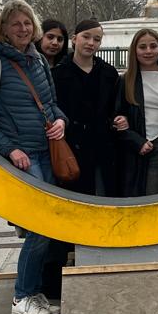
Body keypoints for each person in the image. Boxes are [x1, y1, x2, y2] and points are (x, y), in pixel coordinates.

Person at [0, 0, 70, 314]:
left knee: (46, 226)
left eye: (27, 23)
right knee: (39, 226)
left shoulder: (37, 61)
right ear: (4, 29)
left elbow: (51, 104)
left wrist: (60, 121)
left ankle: (34, 292)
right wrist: (10, 149)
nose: (23, 29)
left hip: (46, 152)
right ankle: (22, 296)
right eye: (16, 24)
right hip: (23, 157)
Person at [53, 19, 121, 198]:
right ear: (74, 39)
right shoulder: (58, 73)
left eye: (97, 39)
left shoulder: (109, 73)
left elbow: (116, 107)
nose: (91, 43)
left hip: (104, 145)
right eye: (86, 37)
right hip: (72, 146)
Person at [113, 28, 158, 197]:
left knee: (156, 197)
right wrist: (136, 140)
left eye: (153, 46)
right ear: (134, 50)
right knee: (134, 199)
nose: (148, 51)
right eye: (142, 47)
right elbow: (115, 117)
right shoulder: (125, 80)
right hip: (134, 148)